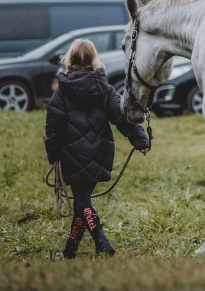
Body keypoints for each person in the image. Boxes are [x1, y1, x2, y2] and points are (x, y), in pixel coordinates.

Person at [44, 39, 150, 259]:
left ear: (69, 60)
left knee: (82, 202)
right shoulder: (106, 89)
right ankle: (70, 250)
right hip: (100, 153)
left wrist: (53, 156)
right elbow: (122, 118)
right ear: (94, 60)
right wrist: (140, 139)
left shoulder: (61, 92)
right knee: (84, 202)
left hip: (71, 156)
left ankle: (102, 242)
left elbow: (53, 128)